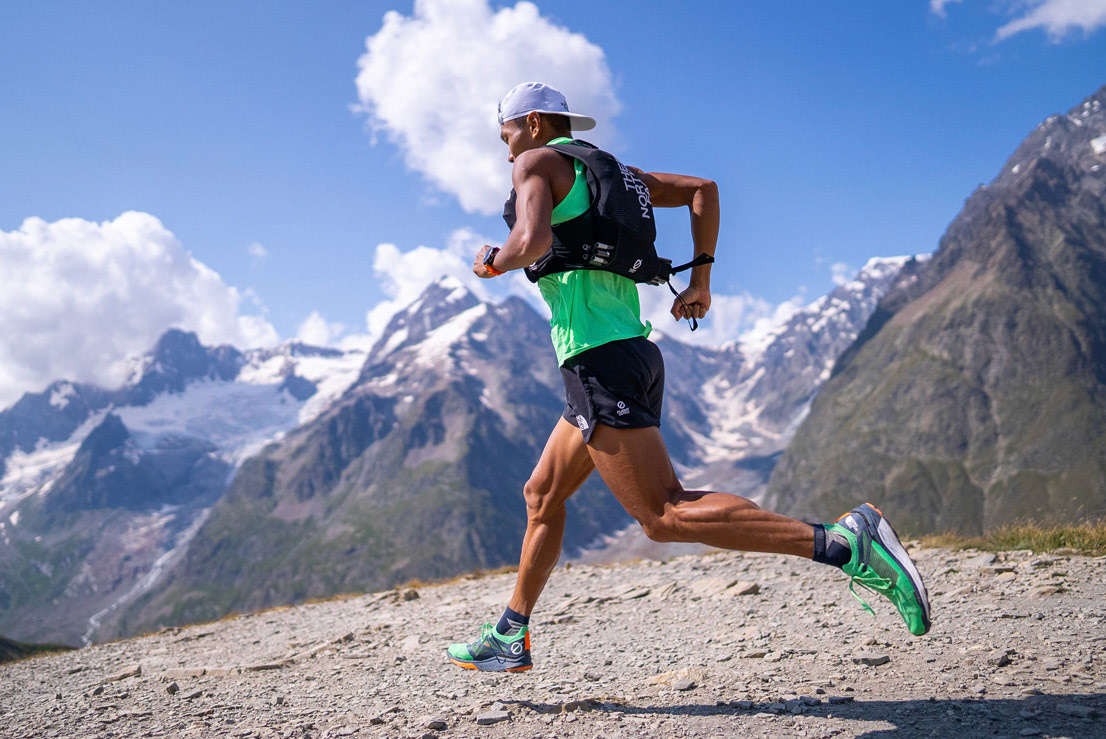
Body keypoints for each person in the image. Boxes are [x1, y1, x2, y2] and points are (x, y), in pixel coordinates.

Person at [447, 82, 930, 672]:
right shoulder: (613, 174)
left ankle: (843, 541)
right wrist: (701, 281)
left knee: (663, 514)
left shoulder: (536, 163)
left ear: (533, 123)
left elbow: (531, 240)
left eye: (507, 134)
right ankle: (511, 634)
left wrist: (492, 261)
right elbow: (703, 190)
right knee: (542, 494)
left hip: (599, 360)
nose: (506, 151)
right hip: (628, 354)